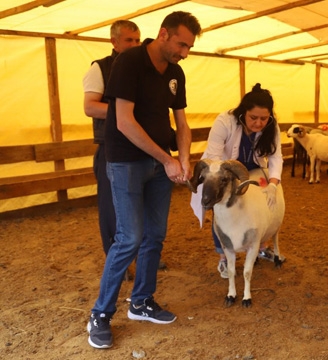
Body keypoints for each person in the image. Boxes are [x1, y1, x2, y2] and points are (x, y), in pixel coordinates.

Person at [86, 11, 202, 349]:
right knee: (129, 237)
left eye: (190, 46)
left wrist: (183, 158)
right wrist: (166, 159)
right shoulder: (129, 62)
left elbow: (181, 123)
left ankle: (141, 302)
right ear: (164, 34)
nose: (185, 52)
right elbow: (123, 121)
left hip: (160, 167)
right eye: (182, 44)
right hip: (126, 162)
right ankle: (100, 314)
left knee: (155, 235)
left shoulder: (176, 73)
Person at [190, 83, 284, 279]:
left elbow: (275, 157)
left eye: (264, 119)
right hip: (223, 172)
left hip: (254, 168)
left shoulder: (271, 126)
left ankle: (259, 246)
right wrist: (223, 181)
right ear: (243, 112)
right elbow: (215, 156)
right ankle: (224, 257)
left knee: (257, 207)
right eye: (253, 118)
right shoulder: (225, 121)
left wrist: (274, 184)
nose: (259, 123)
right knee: (224, 210)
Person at [82, 20, 140, 257]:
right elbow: (90, 107)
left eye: (137, 40)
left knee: (142, 202)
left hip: (138, 145)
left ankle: (145, 254)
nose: (135, 44)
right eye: (129, 40)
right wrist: (125, 112)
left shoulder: (143, 69)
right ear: (114, 42)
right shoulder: (100, 68)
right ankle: (117, 256)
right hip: (111, 147)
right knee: (111, 206)